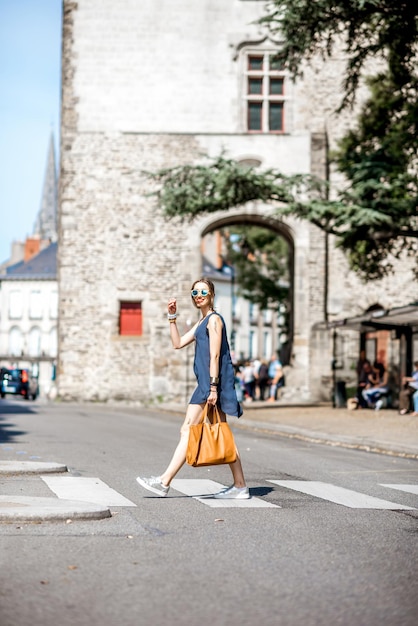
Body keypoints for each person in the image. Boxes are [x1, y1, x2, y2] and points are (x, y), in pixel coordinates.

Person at [136, 277, 249, 499]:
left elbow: (216, 355)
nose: (198, 296)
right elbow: (177, 344)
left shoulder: (214, 320)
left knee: (191, 429)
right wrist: (172, 317)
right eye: (195, 293)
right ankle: (240, 485)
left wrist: (214, 388)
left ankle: (164, 481)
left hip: (211, 384)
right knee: (216, 431)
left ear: (212, 295)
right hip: (206, 384)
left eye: (203, 292)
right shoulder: (201, 322)